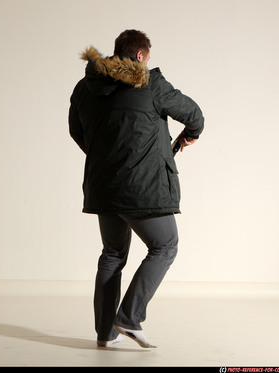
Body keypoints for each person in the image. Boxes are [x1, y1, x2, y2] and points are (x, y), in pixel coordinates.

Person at [68, 29, 204, 348]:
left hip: (104, 185)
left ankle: (105, 333)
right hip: (142, 186)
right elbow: (194, 115)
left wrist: (108, 156)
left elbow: (77, 131)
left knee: (112, 254)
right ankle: (128, 318)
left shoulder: (84, 87)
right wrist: (188, 135)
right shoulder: (148, 81)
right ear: (141, 55)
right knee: (165, 245)